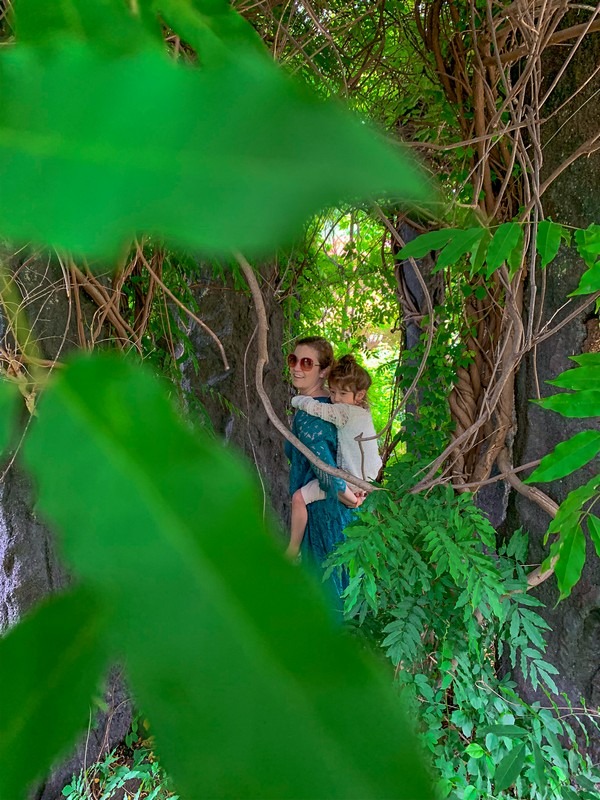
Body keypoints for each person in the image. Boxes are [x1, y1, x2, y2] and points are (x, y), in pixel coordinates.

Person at [287, 355, 382, 560]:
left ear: (360, 395)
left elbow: (317, 409)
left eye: (343, 393)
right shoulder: (364, 413)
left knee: (299, 498)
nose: (336, 398)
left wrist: (298, 400)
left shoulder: (344, 411)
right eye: (333, 392)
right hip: (366, 481)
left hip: (349, 482)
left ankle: (292, 551)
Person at [285, 336, 354, 603]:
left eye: (306, 363)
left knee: (327, 599)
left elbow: (325, 470)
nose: (296, 368)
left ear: (323, 371)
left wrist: (349, 497)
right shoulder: (332, 406)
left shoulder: (310, 416)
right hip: (341, 514)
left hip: (325, 517)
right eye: (293, 360)